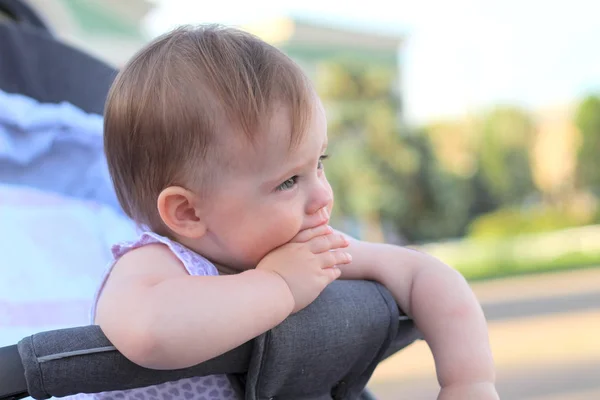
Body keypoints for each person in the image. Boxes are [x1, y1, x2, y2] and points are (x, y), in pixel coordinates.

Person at [74, 25, 499, 400]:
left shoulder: (309, 249)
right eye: (288, 182)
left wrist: (469, 381)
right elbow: (149, 333)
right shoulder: (154, 266)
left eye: (319, 163)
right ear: (188, 212)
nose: (322, 198)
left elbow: (424, 274)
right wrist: (277, 285)